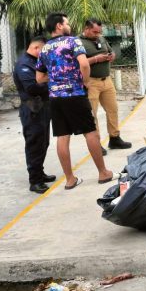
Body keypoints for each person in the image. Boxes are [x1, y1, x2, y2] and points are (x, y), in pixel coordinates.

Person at [35, 12, 113, 190]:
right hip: (75, 94)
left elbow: (39, 78)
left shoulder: (44, 49)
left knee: (62, 137)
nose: (69, 26)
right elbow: (84, 64)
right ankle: (103, 173)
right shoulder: (73, 41)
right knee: (90, 132)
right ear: (59, 26)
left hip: (55, 97)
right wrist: (84, 81)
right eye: (67, 23)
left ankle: (70, 179)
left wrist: (57, 78)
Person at [79, 18, 132, 152]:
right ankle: (96, 144)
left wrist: (111, 55)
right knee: (92, 114)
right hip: (91, 82)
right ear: (86, 29)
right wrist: (96, 59)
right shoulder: (78, 42)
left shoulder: (101, 38)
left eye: (99, 32)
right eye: (95, 32)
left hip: (107, 80)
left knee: (113, 109)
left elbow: (110, 50)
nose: (98, 34)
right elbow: (78, 63)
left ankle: (114, 138)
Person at [12, 36, 56, 194]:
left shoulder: (36, 61)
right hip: (32, 109)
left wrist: (46, 81)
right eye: (44, 50)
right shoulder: (24, 64)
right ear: (36, 48)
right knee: (34, 144)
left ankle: (39, 173)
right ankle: (35, 181)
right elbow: (32, 87)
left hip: (42, 107)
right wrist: (53, 83)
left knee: (43, 143)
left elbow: (42, 81)